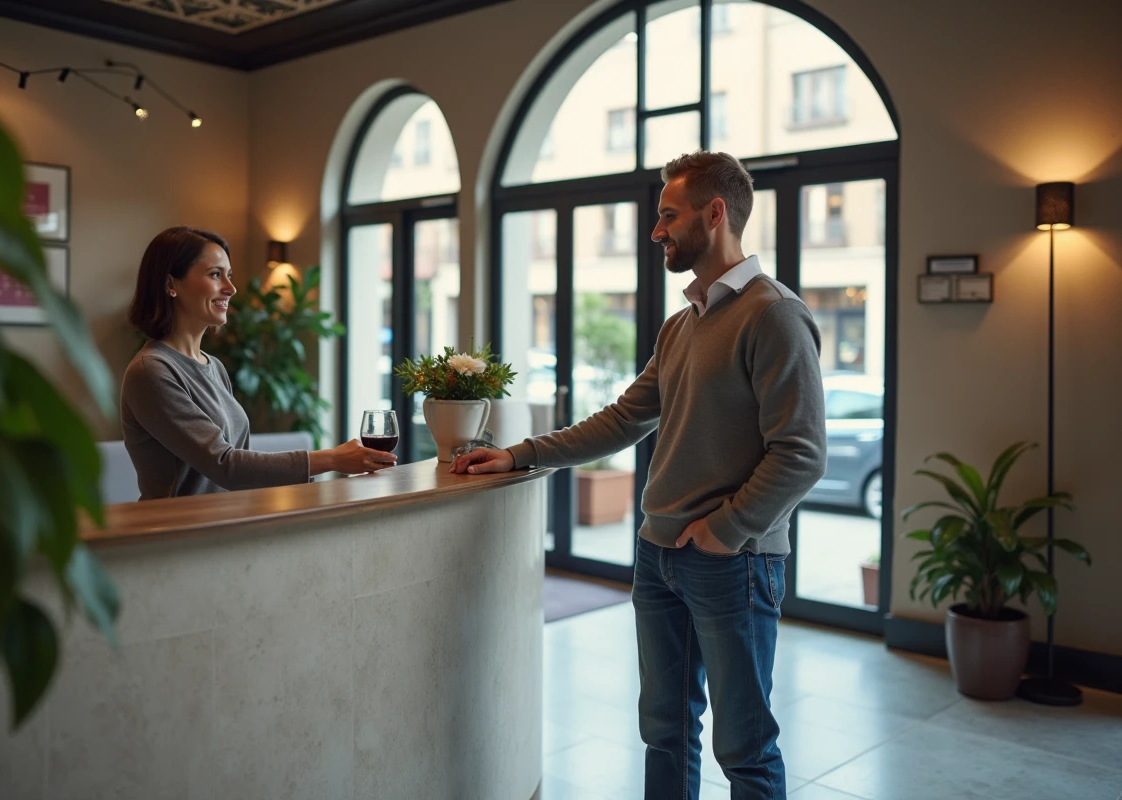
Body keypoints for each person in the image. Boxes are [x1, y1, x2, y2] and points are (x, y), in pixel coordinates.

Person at [451, 152, 826, 800]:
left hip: (730, 561)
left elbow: (800, 451)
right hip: (658, 556)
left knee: (745, 747)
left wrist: (726, 529)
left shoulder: (774, 314)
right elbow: (625, 418)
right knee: (665, 729)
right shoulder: (682, 325)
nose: (657, 232)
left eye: (669, 216)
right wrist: (521, 453)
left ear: (716, 215)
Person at [121, 226, 395, 500]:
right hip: (179, 536)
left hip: (229, 529)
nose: (231, 288)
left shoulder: (213, 366)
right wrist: (331, 459)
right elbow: (225, 465)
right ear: (171, 285)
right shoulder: (152, 371)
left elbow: (239, 466)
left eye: (229, 276)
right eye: (215, 275)